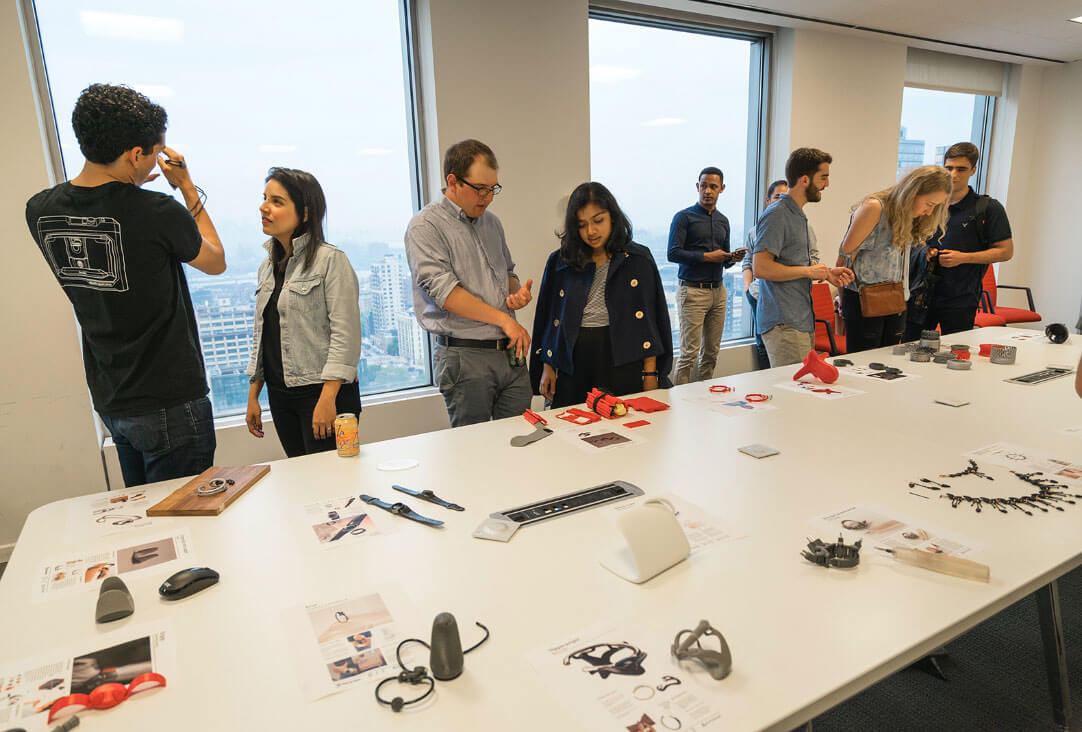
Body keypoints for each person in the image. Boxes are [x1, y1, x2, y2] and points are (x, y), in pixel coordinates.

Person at [25, 84, 225, 487]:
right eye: (153, 153)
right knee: (188, 517)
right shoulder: (156, 210)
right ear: (136, 154)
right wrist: (185, 187)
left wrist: (129, 184)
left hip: (111, 397)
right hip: (169, 400)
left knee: (143, 526)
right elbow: (215, 260)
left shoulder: (40, 210)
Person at [404, 139, 533, 427]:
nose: (487, 197)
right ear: (453, 181)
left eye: (493, 189)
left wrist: (516, 294)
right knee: (473, 451)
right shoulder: (426, 226)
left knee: (522, 441)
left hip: (509, 352)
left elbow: (507, 273)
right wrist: (506, 318)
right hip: (465, 355)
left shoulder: (492, 223)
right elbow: (446, 293)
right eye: (480, 189)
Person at [244, 168, 362, 457]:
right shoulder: (267, 266)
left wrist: (327, 398)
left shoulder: (331, 261)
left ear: (305, 213)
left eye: (277, 201)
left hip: (323, 395)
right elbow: (264, 334)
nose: (264, 207)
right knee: (303, 483)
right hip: (280, 395)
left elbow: (345, 336)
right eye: (264, 199)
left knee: (335, 487)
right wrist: (253, 394)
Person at [530, 182, 673, 407]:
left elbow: (650, 322)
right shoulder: (560, 262)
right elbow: (549, 319)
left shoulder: (637, 259)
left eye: (598, 220)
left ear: (612, 217)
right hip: (574, 361)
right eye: (582, 225)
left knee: (628, 430)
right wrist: (548, 366)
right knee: (571, 431)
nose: (591, 231)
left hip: (623, 359)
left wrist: (650, 375)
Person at [751, 148, 853, 367]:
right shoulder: (777, 214)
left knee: (802, 390)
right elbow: (761, 268)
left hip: (800, 320)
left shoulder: (797, 215)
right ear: (805, 179)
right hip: (783, 322)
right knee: (792, 392)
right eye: (823, 177)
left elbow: (791, 264)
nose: (827, 184)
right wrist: (808, 271)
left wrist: (825, 273)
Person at [903, 142, 1014, 340]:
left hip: (960, 298)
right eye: (949, 168)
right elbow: (905, 242)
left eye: (961, 169)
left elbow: (1005, 251)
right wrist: (923, 252)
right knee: (909, 350)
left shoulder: (988, 208)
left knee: (954, 355)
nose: (953, 175)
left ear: (973, 170)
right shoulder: (927, 204)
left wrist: (964, 258)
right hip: (920, 294)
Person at [836, 166, 951, 352]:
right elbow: (844, 260)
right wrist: (841, 299)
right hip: (864, 299)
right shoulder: (875, 207)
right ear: (913, 191)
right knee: (863, 366)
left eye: (935, 207)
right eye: (929, 204)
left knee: (886, 366)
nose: (930, 212)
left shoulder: (908, 214)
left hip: (896, 299)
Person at [667, 167, 745, 384]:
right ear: (697, 187)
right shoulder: (684, 218)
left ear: (722, 189)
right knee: (689, 354)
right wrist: (708, 257)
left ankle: (703, 399)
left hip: (718, 292)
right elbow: (672, 253)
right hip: (692, 292)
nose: (708, 191)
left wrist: (732, 258)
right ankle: (680, 402)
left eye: (713, 186)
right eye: (704, 186)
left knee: (711, 353)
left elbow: (724, 261)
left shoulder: (723, 221)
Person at [741, 180, 820, 369]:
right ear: (768, 200)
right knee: (769, 354)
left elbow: (812, 259)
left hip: (796, 308)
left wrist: (820, 272)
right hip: (765, 300)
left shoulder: (803, 224)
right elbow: (753, 264)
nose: (825, 183)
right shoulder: (768, 222)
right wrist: (748, 288)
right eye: (778, 196)